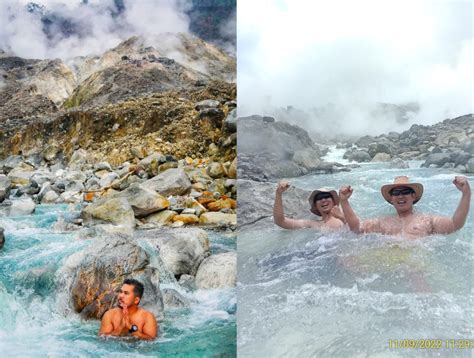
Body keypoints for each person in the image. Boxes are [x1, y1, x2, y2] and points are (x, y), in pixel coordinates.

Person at [339, 175, 471, 237]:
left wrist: (466, 193)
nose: (400, 196)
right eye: (396, 193)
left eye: (405, 192)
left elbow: (455, 225)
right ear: (391, 198)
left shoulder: (427, 220)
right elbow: (357, 228)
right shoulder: (382, 222)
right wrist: (344, 201)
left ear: (413, 196)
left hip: (416, 264)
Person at [273, 180, 345, 229]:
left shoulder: (344, 217)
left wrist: (342, 218)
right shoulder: (312, 224)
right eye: (319, 198)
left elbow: (355, 229)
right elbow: (280, 222)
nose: (323, 200)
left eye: (326, 196)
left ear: (334, 202)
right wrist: (278, 193)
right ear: (315, 206)